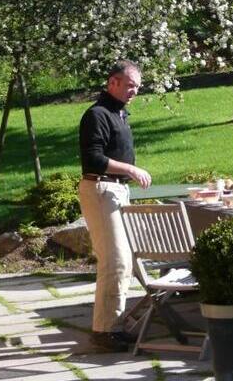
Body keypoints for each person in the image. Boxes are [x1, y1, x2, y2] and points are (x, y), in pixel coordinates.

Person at [79, 59, 152, 351]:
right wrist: (132, 170)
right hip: (100, 188)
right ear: (113, 83)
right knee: (116, 260)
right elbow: (93, 159)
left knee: (127, 260)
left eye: (137, 86)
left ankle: (113, 326)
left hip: (115, 190)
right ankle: (105, 332)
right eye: (130, 85)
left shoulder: (119, 115)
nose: (134, 91)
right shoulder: (97, 115)